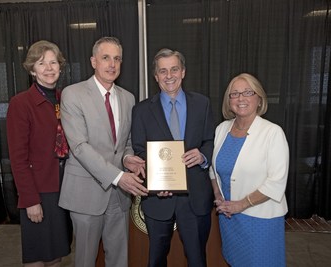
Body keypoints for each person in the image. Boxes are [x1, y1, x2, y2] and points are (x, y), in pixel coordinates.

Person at [58, 36, 148, 267]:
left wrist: (129, 159)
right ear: (93, 61)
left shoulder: (128, 98)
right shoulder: (73, 94)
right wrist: (119, 177)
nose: (112, 64)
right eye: (105, 58)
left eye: (117, 59)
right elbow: (79, 146)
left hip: (118, 197)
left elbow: (124, 143)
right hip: (85, 194)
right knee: (85, 261)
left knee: (119, 259)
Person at [131, 48, 215, 266]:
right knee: (156, 259)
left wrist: (203, 156)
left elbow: (210, 141)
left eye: (174, 69)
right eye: (163, 71)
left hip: (195, 197)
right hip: (159, 198)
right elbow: (139, 149)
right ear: (156, 76)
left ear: (183, 72)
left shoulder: (202, 104)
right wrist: (156, 181)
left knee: (198, 260)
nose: (169, 76)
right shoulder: (141, 111)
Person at [210, 73, 289, 266]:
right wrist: (218, 195)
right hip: (229, 218)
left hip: (260, 219)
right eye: (234, 94)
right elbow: (213, 169)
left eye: (247, 92)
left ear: (259, 99)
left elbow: (276, 182)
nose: (240, 98)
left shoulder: (273, 133)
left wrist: (241, 204)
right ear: (228, 102)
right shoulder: (221, 129)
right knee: (234, 261)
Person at [6, 40, 72, 267]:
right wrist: (30, 199)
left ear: (60, 67)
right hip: (39, 190)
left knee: (57, 254)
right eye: (42, 63)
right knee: (37, 255)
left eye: (53, 62)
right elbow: (18, 158)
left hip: (66, 188)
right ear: (32, 69)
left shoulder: (67, 99)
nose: (49, 68)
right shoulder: (21, 103)